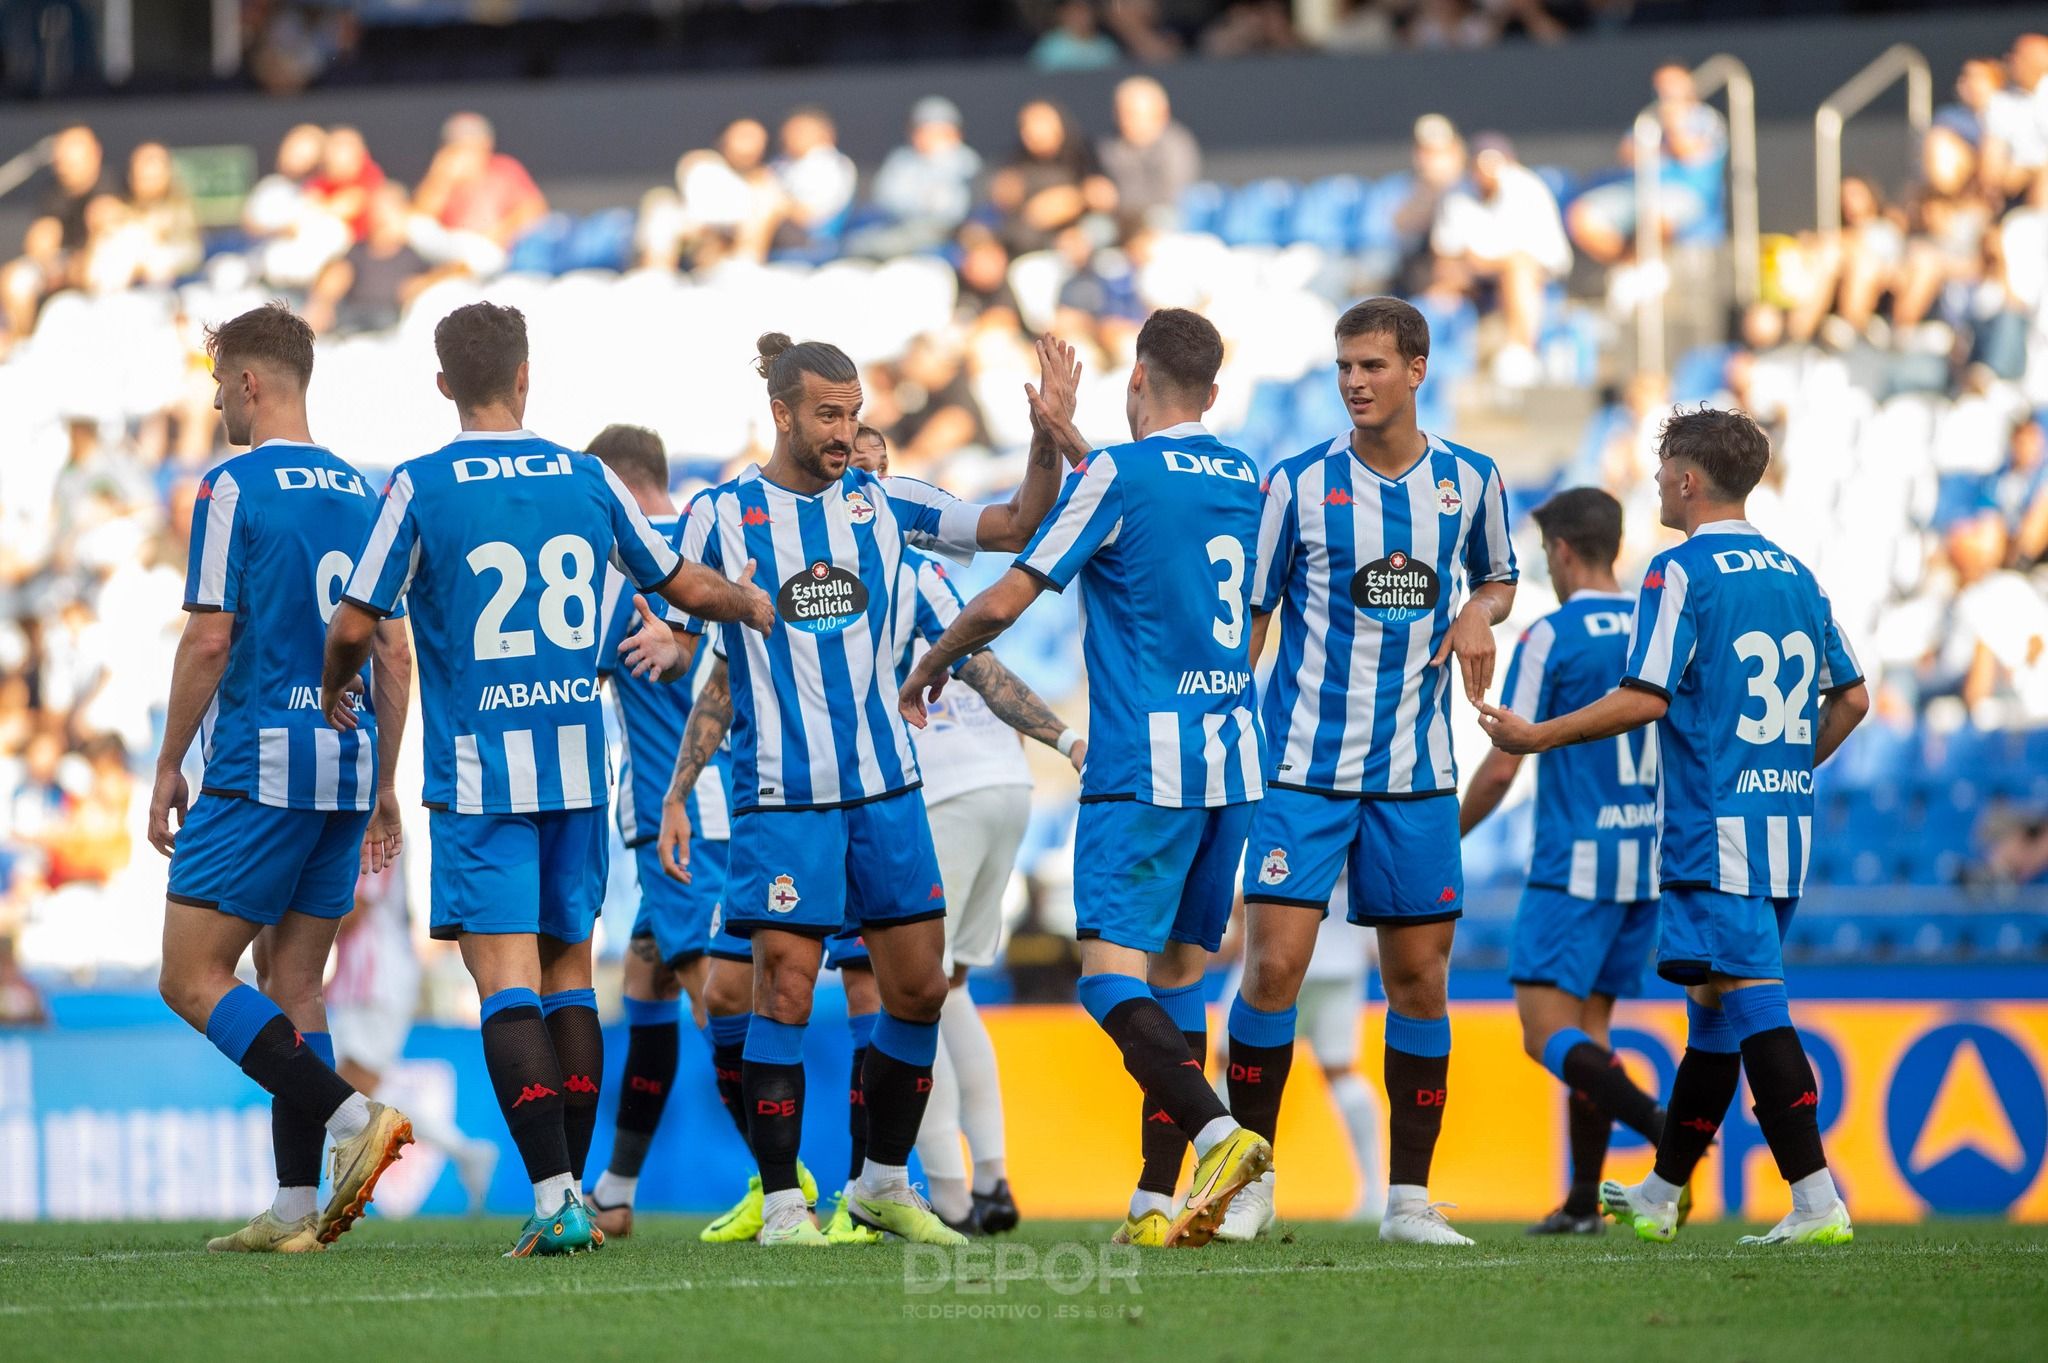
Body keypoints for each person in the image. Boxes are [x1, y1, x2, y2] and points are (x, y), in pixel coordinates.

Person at [321, 302, 773, 1258]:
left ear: (444, 384)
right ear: (527, 376)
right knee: (570, 979)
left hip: (482, 779)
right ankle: (570, 1190)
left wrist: (332, 685)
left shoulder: (418, 485)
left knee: (504, 982)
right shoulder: (588, 474)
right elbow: (680, 583)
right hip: (577, 778)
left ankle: (559, 1193)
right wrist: (750, 602)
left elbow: (358, 620)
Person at [632, 330, 1069, 1246]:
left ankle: (880, 1184)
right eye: (828, 416)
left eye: (853, 415)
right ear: (782, 413)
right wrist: (674, 651)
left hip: (888, 793)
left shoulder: (883, 501)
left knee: (917, 990)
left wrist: (1045, 436)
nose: (844, 432)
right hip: (784, 801)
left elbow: (1012, 525)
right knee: (781, 991)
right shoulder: (719, 514)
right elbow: (685, 641)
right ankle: (785, 1203)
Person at [899, 308, 1272, 1251]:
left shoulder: (1117, 472)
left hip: (1142, 765)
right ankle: (1157, 1204)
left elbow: (1008, 592)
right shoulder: (1246, 474)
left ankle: (1222, 1136)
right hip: (1233, 757)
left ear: (1136, 379)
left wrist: (936, 656)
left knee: (1108, 984)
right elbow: (1157, 508)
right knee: (1180, 977)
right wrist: (1065, 439)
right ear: (1213, 392)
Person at [1481, 406, 1869, 1247]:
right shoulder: (1797, 573)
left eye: (1663, 471)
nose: (1656, 483)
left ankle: (1814, 1197)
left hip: (1713, 831)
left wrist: (1536, 734)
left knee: (1754, 1004)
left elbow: (1646, 697)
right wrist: (1789, 771)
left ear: (1688, 480)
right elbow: (1856, 697)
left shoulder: (1679, 570)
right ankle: (1662, 1188)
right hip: (1780, 829)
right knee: (1713, 1007)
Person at [1223, 296, 1516, 1247]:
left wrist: (1481, 609)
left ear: (1418, 368)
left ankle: (1408, 1201)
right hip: (1301, 767)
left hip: (1417, 772)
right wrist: (1228, 722)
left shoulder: (1471, 481)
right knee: (1273, 965)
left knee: (1421, 981)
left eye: (1373, 366)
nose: (1354, 381)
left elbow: (1500, 576)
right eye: (1345, 365)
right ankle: (1249, 1184)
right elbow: (1256, 614)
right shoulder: (1298, 484)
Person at [149, 302, 414, 1254]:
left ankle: (354, 1123)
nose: (218, 400)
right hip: (344, 774)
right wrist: (383, 781)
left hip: (260, 764)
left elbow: (211, 635)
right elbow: (393, 654)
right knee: (295, 986)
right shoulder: (368, 491)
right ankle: (298, 1210)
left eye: (221, 383)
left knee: (189, 976)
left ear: (251, 382)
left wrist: (170, 761)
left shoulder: (230, 487)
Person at [853, 424, 1081, 1234]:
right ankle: (991, 1175)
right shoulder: (931, 570)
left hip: (935, 790)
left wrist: (1064, 737)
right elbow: (982, 662)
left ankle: (948, 1188)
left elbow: (977, 665)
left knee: (913, 994)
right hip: (1003, 782)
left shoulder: (858, 570)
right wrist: (1059, 741)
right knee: (951, 993)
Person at [1458, 487, 1672, 1235]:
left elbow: (1501, 764)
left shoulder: (1553, 634)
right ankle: (1585, 1199)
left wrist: (1445, 834)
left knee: (1544, 1030)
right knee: (1591, 1030)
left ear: (1561, 551)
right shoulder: (1656, 622)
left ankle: (1666, 1127)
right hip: (1646, 860)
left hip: (1573, 862)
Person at [575, 423, 737, 1241]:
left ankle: (789, 1184)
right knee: (647, 991)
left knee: (717, 1002)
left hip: (678, 828)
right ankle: (616, 1188)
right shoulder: (712, 558)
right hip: (724, 811)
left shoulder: (626, 575)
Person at [328, 858, 500, 1214]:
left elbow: (354, 910)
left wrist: (286, 920)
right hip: (358, 978)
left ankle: (347, 1196)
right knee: (354, 1089)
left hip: (375, 979)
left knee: (353, 1087)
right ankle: (465, 1152)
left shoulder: (370, 831)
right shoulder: (363, 825)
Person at [412, 113, 549, 276]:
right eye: (457, 143)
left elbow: (535, 210)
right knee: (417, 228)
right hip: (455, 248)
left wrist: (499, 233)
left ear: (486, 143)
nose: (465, 149)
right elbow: (420, 220)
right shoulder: (443, 173)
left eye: (471, 141)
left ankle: (446, 275)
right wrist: (441, 180)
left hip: (495, 251)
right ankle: (447, 274)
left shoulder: (503, 168)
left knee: (487, 257)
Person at [1098, 76, 1202, 230]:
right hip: (1118, 222)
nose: (1125, 120)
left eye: (1132, 114)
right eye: (1121, 113)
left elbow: (1171, 194)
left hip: (1164, 220)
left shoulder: (1175, 145)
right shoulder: (1108, 146)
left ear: (1160, 113)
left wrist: (1116, 199)